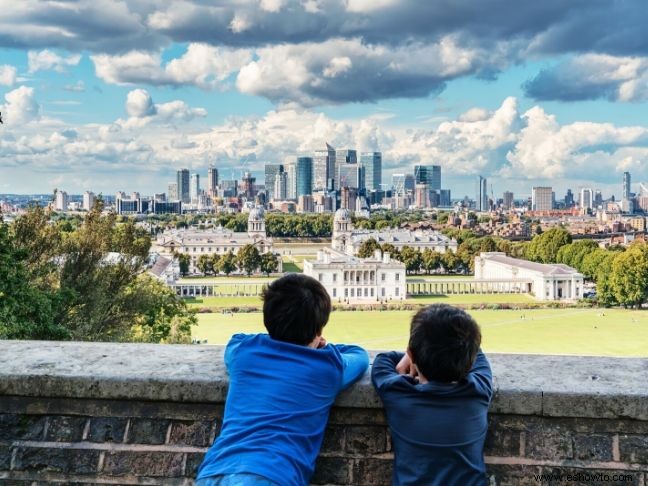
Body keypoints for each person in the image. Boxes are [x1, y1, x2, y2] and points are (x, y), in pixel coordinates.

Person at [197, 273, 369, 486]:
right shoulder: (326, 367)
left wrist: (274, 337)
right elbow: (360, 356)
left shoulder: (245, 353)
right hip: (273, 475)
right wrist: (324, 347)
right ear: (318, 330)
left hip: (215, 470)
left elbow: (236, 340)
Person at [372, 304, 493, 486]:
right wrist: (414, 354)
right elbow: (476, 352)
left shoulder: (398, 393)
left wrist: (413, 355)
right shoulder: (478, 390)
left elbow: (382, 361)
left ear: (411, 354)